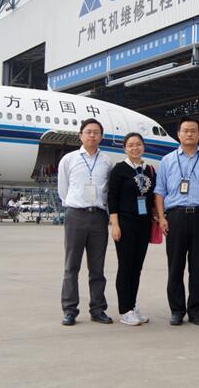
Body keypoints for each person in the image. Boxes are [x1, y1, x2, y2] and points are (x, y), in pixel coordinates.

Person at [154, 116, 199, 326]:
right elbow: (160, 191)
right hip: (175, 217)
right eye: (185, 130)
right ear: (178, 134)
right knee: (175, 267)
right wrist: (162, 218)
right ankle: (177, 310)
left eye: (193, 130)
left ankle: (196, 311)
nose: (189, 134)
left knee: (197, 267)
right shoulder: (167, 160)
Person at [58, 118, 114, 326]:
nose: (92, 135)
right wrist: (74, 205)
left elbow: (108, 191)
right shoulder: (69, 159)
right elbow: (63, 189)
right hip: (76, 216)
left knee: (97, 267)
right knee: (71, 266)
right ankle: (70, 310)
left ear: (101, 137)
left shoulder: (107, 161)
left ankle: (98, 309)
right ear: (80, 135)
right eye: (88, 132)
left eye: (96, 132)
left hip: (99, 217)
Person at [108, 132, 155, 326]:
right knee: (126, 266)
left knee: (137, 267)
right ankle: (124, 309)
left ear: (144, 146)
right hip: (125, 224)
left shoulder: (149, 169)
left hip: (144, 225)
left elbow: (152, 198)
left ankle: (132, 306)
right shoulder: (119, 169)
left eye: (138, 144)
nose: (135, 148)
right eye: (130, 145)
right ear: (125, 148)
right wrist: (115, 224)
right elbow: (112, 197)